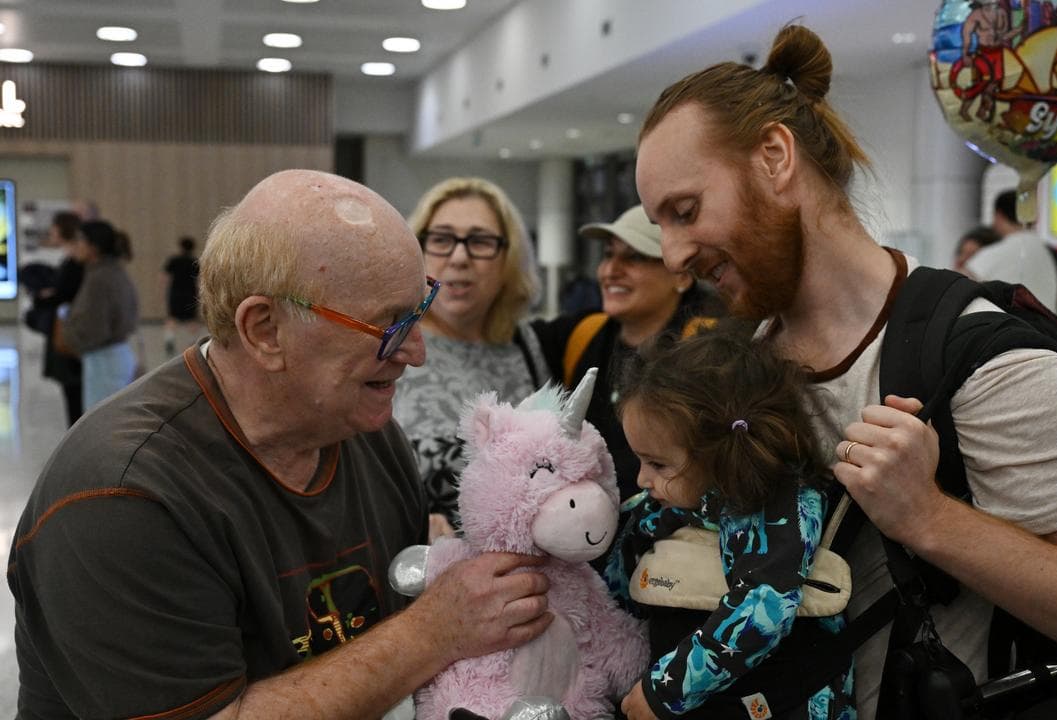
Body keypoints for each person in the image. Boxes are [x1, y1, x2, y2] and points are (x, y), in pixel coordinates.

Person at [633, 24, 1057, 718]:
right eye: (662, 226)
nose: (673, 254)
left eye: (685, 211)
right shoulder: (747, 359)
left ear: (775, 157)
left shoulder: (989, 368)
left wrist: (931, 520)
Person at [8, 169, 553, 719]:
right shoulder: (122, 495)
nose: (417, 351)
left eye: (420, 308)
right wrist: (434, 630)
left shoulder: (368, 435)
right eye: (389, 323)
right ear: (265, 330)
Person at [608, 328, 854, 720]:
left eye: (657, 464)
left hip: (791, 701)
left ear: (722, 455)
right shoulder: (666, 501)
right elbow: (618, 583)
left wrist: (664, 690)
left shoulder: (780, 507)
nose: (641, 479)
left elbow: (762, 608)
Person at [394, 177, 550, 539]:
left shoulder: (525, 342)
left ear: (507, 259)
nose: (459, 257)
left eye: (479, 242)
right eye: (442, 239)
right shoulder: (389, 342)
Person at [533, 204, 715, 504]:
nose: (610, 270)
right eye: (608, 255)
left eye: (635, 257)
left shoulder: (707, 348)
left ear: (682, 276)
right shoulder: (584, 333)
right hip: (584, 532)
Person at [57, 219, 140, 411]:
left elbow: (93, 329)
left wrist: (67, 328)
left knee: (105, 424)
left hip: (104, 362)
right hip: (111, 357)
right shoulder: (110, 272)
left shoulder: (99, 279)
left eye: (79, 241)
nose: (75, 246)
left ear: (93, 247)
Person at [20, 211, 85, 426]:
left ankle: (76, 430)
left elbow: (64, 293)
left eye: (54, 229)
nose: (51, 234)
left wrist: (43, 298)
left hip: (69, 331)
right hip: (67, 328)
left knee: (73, 387)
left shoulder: (75, 262)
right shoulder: (71, 260)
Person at [965, 189, 1057, 315]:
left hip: (1011, 329)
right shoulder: (1047, 251)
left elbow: (961, 284)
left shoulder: (998, 252)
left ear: (998, 215)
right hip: (1048, 330)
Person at [163, 235, 202, 355]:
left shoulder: (174, 260)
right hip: (190, 294)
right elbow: (199, 280)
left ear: (180, 247)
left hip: (176, 293)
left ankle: (169, 339)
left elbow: (164, 277)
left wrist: (166, 291)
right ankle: (191, 343)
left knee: (172, 318)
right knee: (192, 319)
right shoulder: (194, 261)